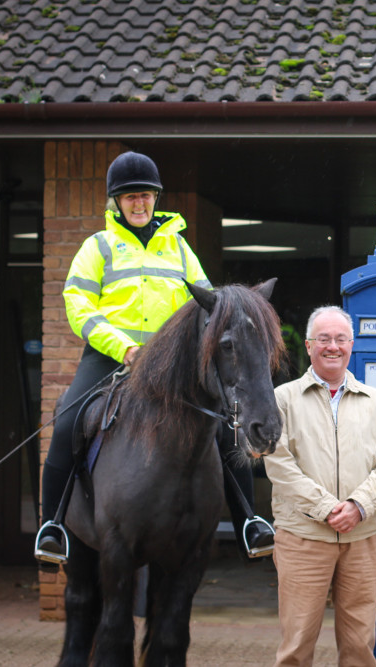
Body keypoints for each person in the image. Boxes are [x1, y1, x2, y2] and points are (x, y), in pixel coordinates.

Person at [35, 151, 274, 565]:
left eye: (145, 195)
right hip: (112, 357)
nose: (139, 204)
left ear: (156, 197)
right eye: (130, 198)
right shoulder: (98, 247)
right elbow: (77, 305)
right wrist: (122, 346)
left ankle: (249, 523)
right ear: (116, 202)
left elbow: (207, 303)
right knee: (68, 419)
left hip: (169, 366)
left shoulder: (179, 248)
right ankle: (52, 526)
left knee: (222, 428)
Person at [265, 305, 376, 667]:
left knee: (360, 648)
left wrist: (358, 506)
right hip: (303, 539)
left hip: (364, 538)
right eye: (323, 339)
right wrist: (327, 508)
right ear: (309, 346)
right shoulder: (282, 399)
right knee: (295, 647)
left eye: (340, 339)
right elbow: (278, 464)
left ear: (352, 345)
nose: (333, 346)